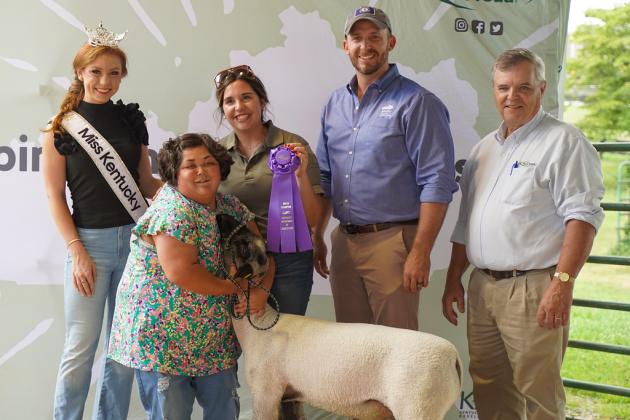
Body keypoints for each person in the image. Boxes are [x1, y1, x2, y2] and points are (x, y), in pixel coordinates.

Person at [442, 48, 605, 420]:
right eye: (503, 87)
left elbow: (582, 217)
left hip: (533, 289)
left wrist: (562, 283)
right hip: (482, 287)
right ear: (493, 89)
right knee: (489, 386)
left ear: (542, 89)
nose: (511, 97)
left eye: (523, 87)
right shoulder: (483, 149)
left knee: (539, 391)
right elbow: (467, 223)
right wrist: (454, 279)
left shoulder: (564, 142)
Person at [107, 133, 274, 420]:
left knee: (224, 411)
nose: (201, 171)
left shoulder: (228, 206)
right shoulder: (173, 209)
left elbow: (261, 259)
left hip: (213, 338)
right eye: (190, 165)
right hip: (162, 340)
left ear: (220, 167)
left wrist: (259, 291)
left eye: (208, 163)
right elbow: (182, 272)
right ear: (174, 173)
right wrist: (237, 291)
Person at [42, 23, 162, 420]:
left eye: (113, 73)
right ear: (80, 72)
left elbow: (144, 183)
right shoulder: (62, 126)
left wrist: (190, 196)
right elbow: (54, 197)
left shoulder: (130, 120)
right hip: (88, 246)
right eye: (96, 72)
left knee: (124, 349)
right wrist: (76, 251)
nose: (105, 81)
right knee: (80, 348)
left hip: (135, 242)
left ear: (122, 75)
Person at [314, 6, 458, 331]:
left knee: (396, 353)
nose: (366, 46)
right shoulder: (334, 104)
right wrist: (317, 234)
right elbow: (324, 177)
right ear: (345, 45)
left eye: (374, 37)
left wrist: (420, 252)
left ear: (390, 41)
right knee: (354, 349)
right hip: (344, 243)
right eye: (357, 38)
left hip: (393, 243)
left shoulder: (417, 102)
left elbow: (437, 180)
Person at [215, 65, 325, 316]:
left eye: (246, 97)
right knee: (245, 344)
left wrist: (300, 177)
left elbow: (314, 219)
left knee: (286, 338)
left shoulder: (292, 146)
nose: (239, 107)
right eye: (229, 101)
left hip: (290, 260)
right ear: (223, 110)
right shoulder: (216, 153)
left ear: (262, 101)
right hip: (239, 261)